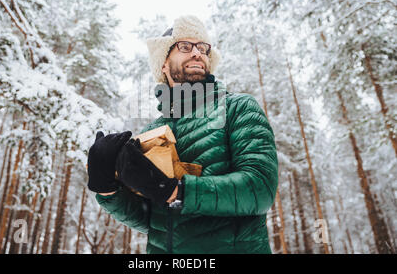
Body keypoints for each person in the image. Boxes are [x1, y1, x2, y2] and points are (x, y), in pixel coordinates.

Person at [87, 15, 278, 254]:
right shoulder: (151, 133)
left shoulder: (237, 108)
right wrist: (107, 189)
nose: (197, 53)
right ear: (163, 64)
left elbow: (260, 189)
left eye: (203, 48)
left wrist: (177, 191)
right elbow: (153, 221)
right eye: (185, 46)